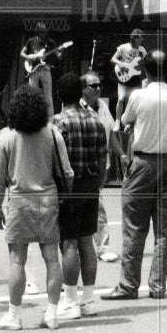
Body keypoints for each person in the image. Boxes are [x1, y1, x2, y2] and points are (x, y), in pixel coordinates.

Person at [102, 51, 167, 301]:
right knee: (163, 228)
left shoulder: (139, 94)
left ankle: (128, 285)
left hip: (144, 161)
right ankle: (158, 286)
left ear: (146, 72)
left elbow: (126, 121)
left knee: (134, 227)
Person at [0, 86, 74, 331]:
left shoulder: (6, 135)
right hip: (48, 200)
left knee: (17, 260)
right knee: (52, 259)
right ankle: (52, 313)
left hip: (19, 201)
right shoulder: (52, 133)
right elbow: (67, 172)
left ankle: (14, 316)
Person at [52, 74, 107, 320]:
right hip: (91, 185)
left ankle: (71, 301)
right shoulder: (96, 120)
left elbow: (54, 161)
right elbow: (104, 159)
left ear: (59, 95)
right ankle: (88, 299)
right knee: (88, 241)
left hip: (68, 188)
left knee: (69, 242)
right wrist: (97, 184)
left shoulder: (59, 121)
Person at [80, 71, 122, 262]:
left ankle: (97, 245)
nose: (98, 88)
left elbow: (110, 133)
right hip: (84, 165)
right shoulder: (76, 108)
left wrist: (121, 153)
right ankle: (100, 246)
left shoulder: (103, 105)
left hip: (102, 164)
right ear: (83, 89)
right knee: (96, 206)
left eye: (99, 85)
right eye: (93, 86)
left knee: (95, 204)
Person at [21, 23, 58, 119]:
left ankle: (50, 118)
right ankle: (31, 116)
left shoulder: (50, 42)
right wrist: (29, 57)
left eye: (45, 33)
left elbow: (57, 55)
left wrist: (59, 53)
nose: (43, 35)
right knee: (32, 94)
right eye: (41, 33)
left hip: (45, 69)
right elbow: (22, 53)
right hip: (33, 70)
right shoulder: (31, 41)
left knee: (48, 95)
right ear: (38, 33)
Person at [111, 29, 147, 123]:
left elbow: (146, 62)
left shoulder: (142, 50)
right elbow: (113, 59)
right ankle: (117, 122)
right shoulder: (123, 47)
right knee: (121, 99)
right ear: (134, 37)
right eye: (139, 37)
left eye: (142, 37)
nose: (141, 39)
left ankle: (127, 123)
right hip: (123, 77)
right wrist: (121, 63)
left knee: (130, 101)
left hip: (134, 78)